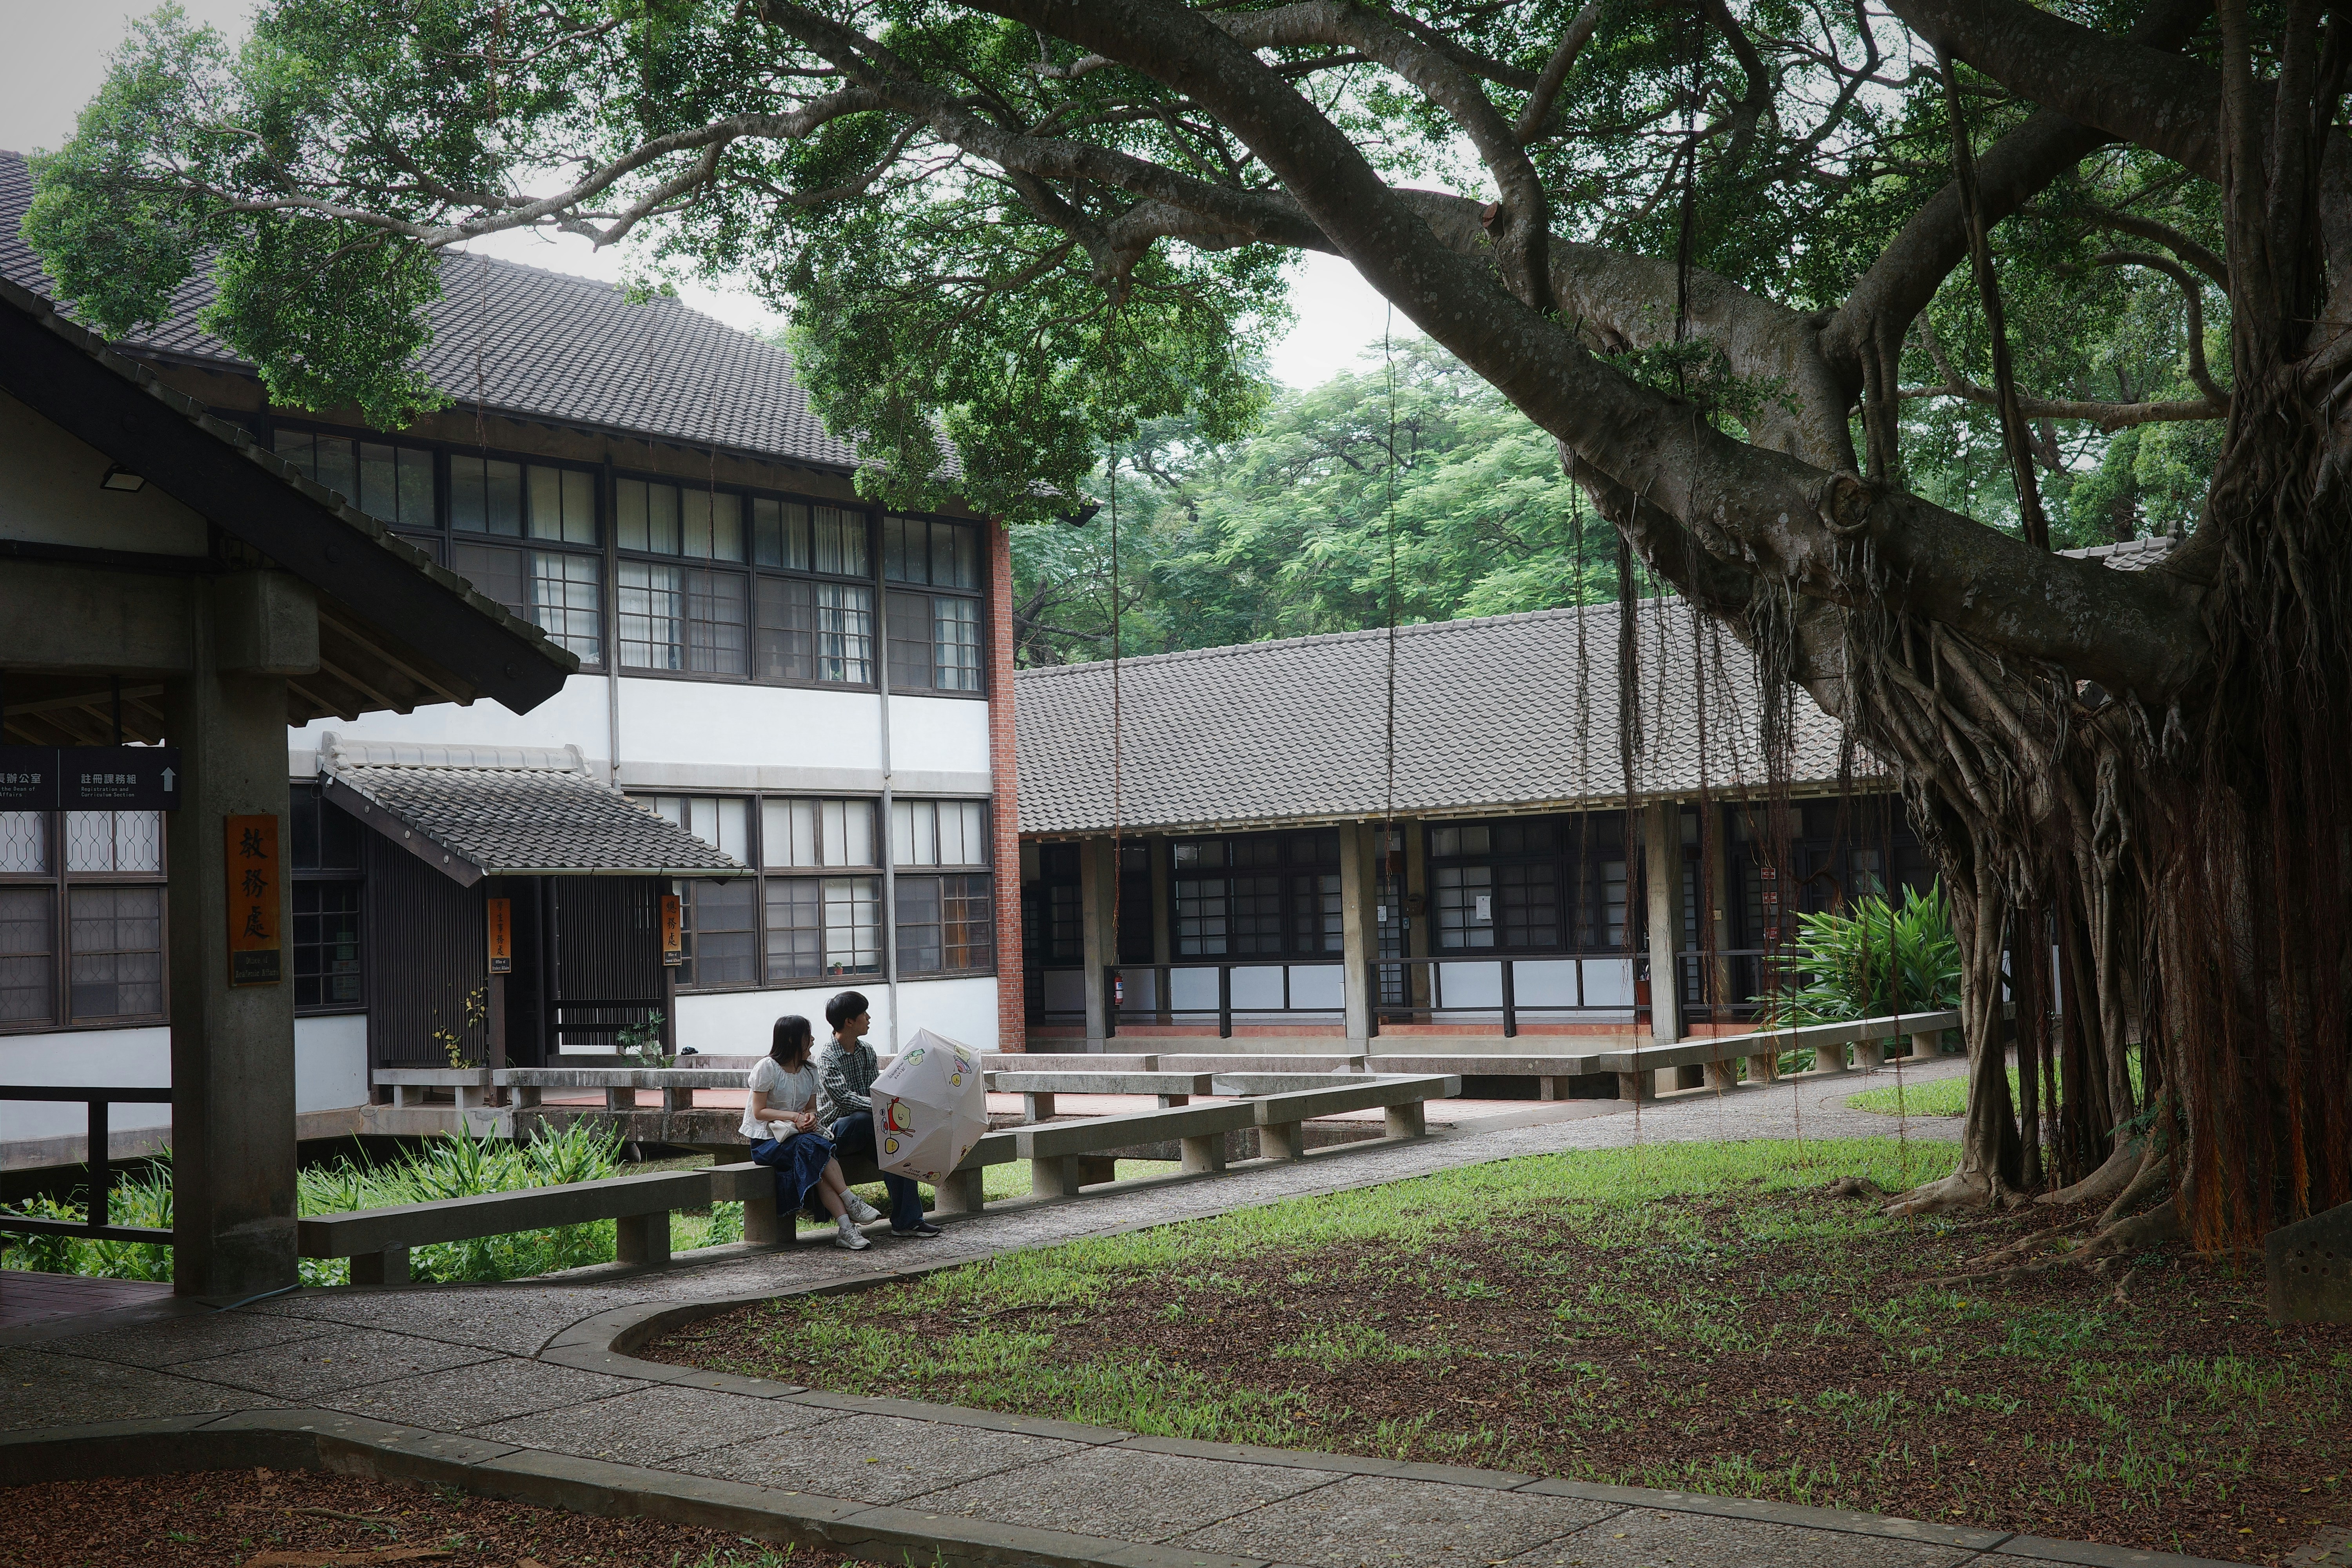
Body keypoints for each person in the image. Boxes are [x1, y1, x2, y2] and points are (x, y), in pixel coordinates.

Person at [745, 1014, 881, 1250]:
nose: (813, 1040)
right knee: (816, 1149)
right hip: (768, 1142)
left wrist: (810, 1118)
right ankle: (850, 1202)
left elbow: (811, 1108)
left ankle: (846, 1227)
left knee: (817, 1155)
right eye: (808, 1036)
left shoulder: (810, 1070)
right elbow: (759, 1112)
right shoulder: (767, 1068)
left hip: (800, 1138)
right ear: (792, 1040)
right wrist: (795, 1117)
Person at [815, 990, 941, 1238]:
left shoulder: (867, 1051)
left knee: (896, 1146)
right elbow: (843, 1099)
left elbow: (878, 1090)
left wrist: (891, 1105)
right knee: (865, 1121)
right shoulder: (826, 1057)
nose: (869, 1018)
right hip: (835, 1133)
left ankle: (908, 1222)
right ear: (849, 1022)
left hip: (869, 1128)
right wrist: (884, 1108)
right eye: (864, 1014)